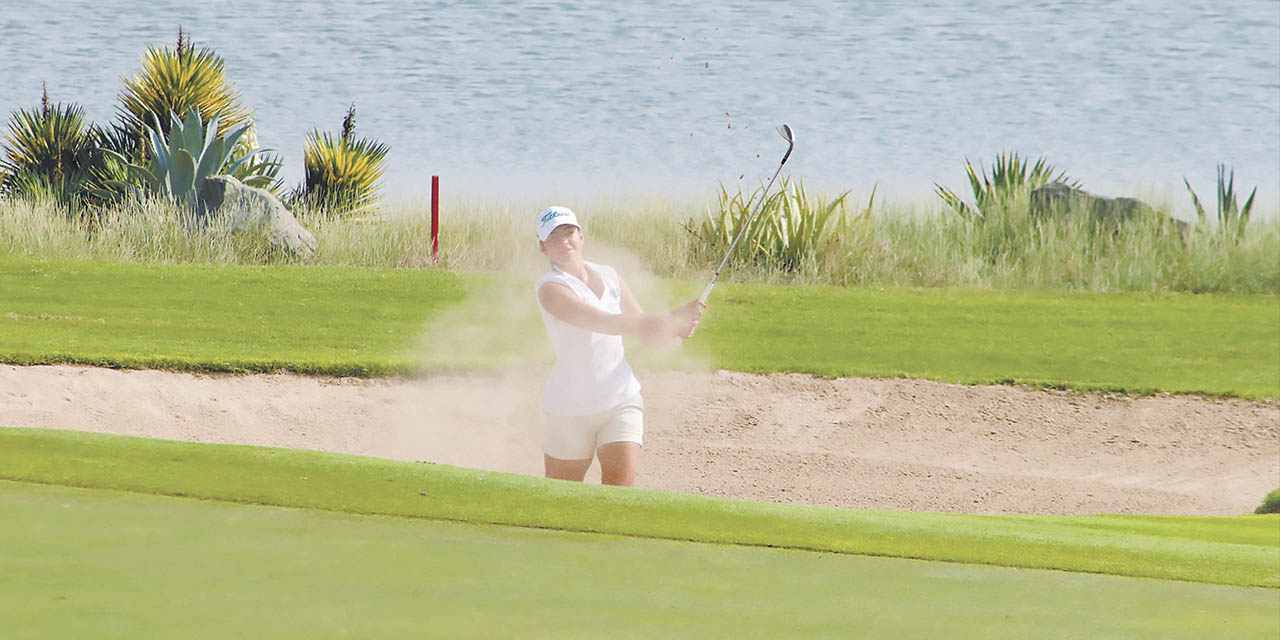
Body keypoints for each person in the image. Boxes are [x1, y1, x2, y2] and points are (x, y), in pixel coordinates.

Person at [533, 205, 704, 487]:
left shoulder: (610, 276)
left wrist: (675, 330)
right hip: (568, 409)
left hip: (620, 398)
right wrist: (669, 317)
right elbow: (602, 322)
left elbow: (645, 334)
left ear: (581, 236)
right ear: (544, 248)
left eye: (568, 232)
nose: (564, 241)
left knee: (619, 497)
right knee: (562, 501)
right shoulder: (550, 288)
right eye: (553, 238)